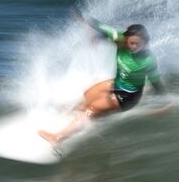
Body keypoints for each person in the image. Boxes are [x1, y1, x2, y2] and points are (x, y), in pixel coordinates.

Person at [38, 12, 165, 146]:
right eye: (132, 43)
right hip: (117, 83)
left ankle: (57, 137)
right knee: (87, 95)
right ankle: (68, 116)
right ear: (125, 39)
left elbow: (156, 82)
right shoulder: (120, 38)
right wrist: (85, 21)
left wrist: (162, 104)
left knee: (91, 109)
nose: (135, 47)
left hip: (128, 97)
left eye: (139, 44)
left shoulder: (148, 60)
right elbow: (101, 27)